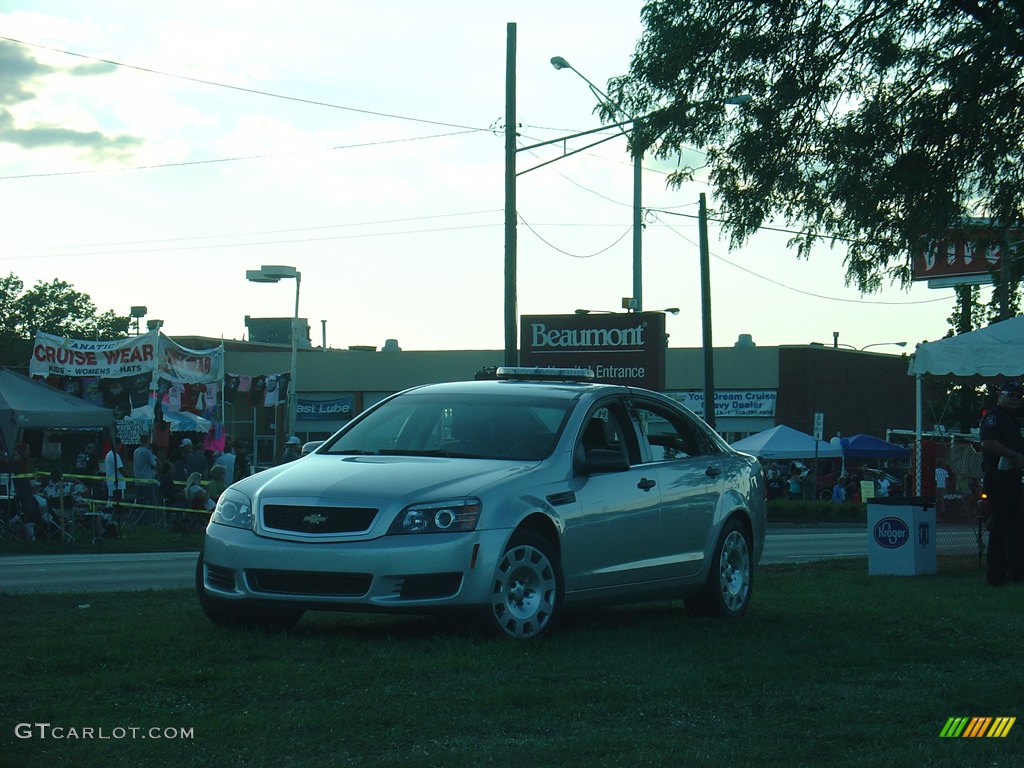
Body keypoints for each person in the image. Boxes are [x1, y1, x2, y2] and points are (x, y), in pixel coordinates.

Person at [979, 380, 1024, 586]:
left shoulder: (1012, 419)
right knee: (1012, 525)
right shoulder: (994, 417)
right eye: (1011, 394)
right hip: (998, 477)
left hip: (1011, 477)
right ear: (1000, 394)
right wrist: (1013, 454)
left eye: (1018, 395)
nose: (1015, 399)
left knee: (999, 527)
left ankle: (997, 574)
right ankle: (1014, 572)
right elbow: (988, 443)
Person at [132, 433, 159, 513]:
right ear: (148, 440)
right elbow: (154, 465)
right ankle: (150, 518)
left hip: (138, 480)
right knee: (151, 500)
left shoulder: (136, 451)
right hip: (147, 480)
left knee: (140, 501)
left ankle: (139, 518)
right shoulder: (147, 452)